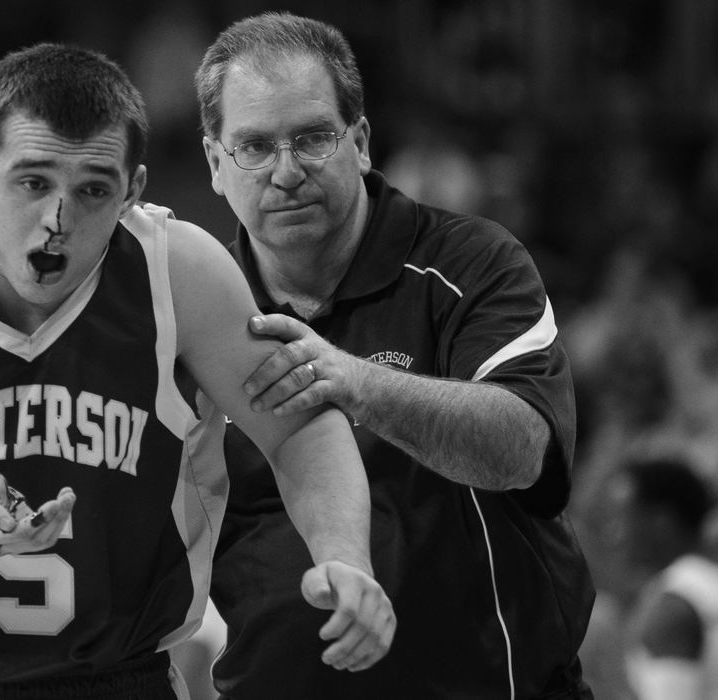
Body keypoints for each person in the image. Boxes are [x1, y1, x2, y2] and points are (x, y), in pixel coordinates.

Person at [0, 42, 395, 700]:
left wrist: (344, 557)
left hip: (122, 680)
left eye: (92, 190)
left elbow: (299, 427)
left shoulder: (179, 272)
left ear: (134, 190)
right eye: (33, 182)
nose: (57, 222)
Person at [194, 12, 596, 699]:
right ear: (213, 163)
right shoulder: (200, 311)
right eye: (254, 147)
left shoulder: (471, 263)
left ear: (361, 142)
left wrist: (353, 381)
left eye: (313, 138)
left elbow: (522, 450)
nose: (285, 171)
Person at [611, 457, 718, 700]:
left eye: (624, 517)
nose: (615, 534)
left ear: (662, 522)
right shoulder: (706, 583)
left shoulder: (670, 608)